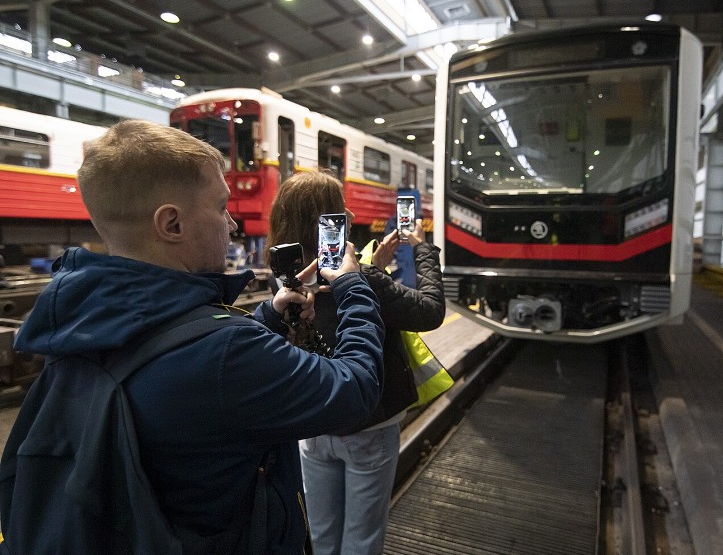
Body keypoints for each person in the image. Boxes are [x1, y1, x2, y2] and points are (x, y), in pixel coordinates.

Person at [3, 120, 386, 554]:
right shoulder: (228, 352)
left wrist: (269, 316)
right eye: (221, 207)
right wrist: (354, 287)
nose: (233, 224)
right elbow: (356, 388)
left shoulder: (76, 316)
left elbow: (173, 358)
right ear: (172, 224)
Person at [265, 170, 445, 555]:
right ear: (330, 221)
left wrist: (375, 268)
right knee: (361, 538)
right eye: (339, 209)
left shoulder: (282, 282)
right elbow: (430, 312)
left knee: (324, 535)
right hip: (370, 424)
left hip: (313, 423)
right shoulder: (360, 279)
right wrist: (423, 251)